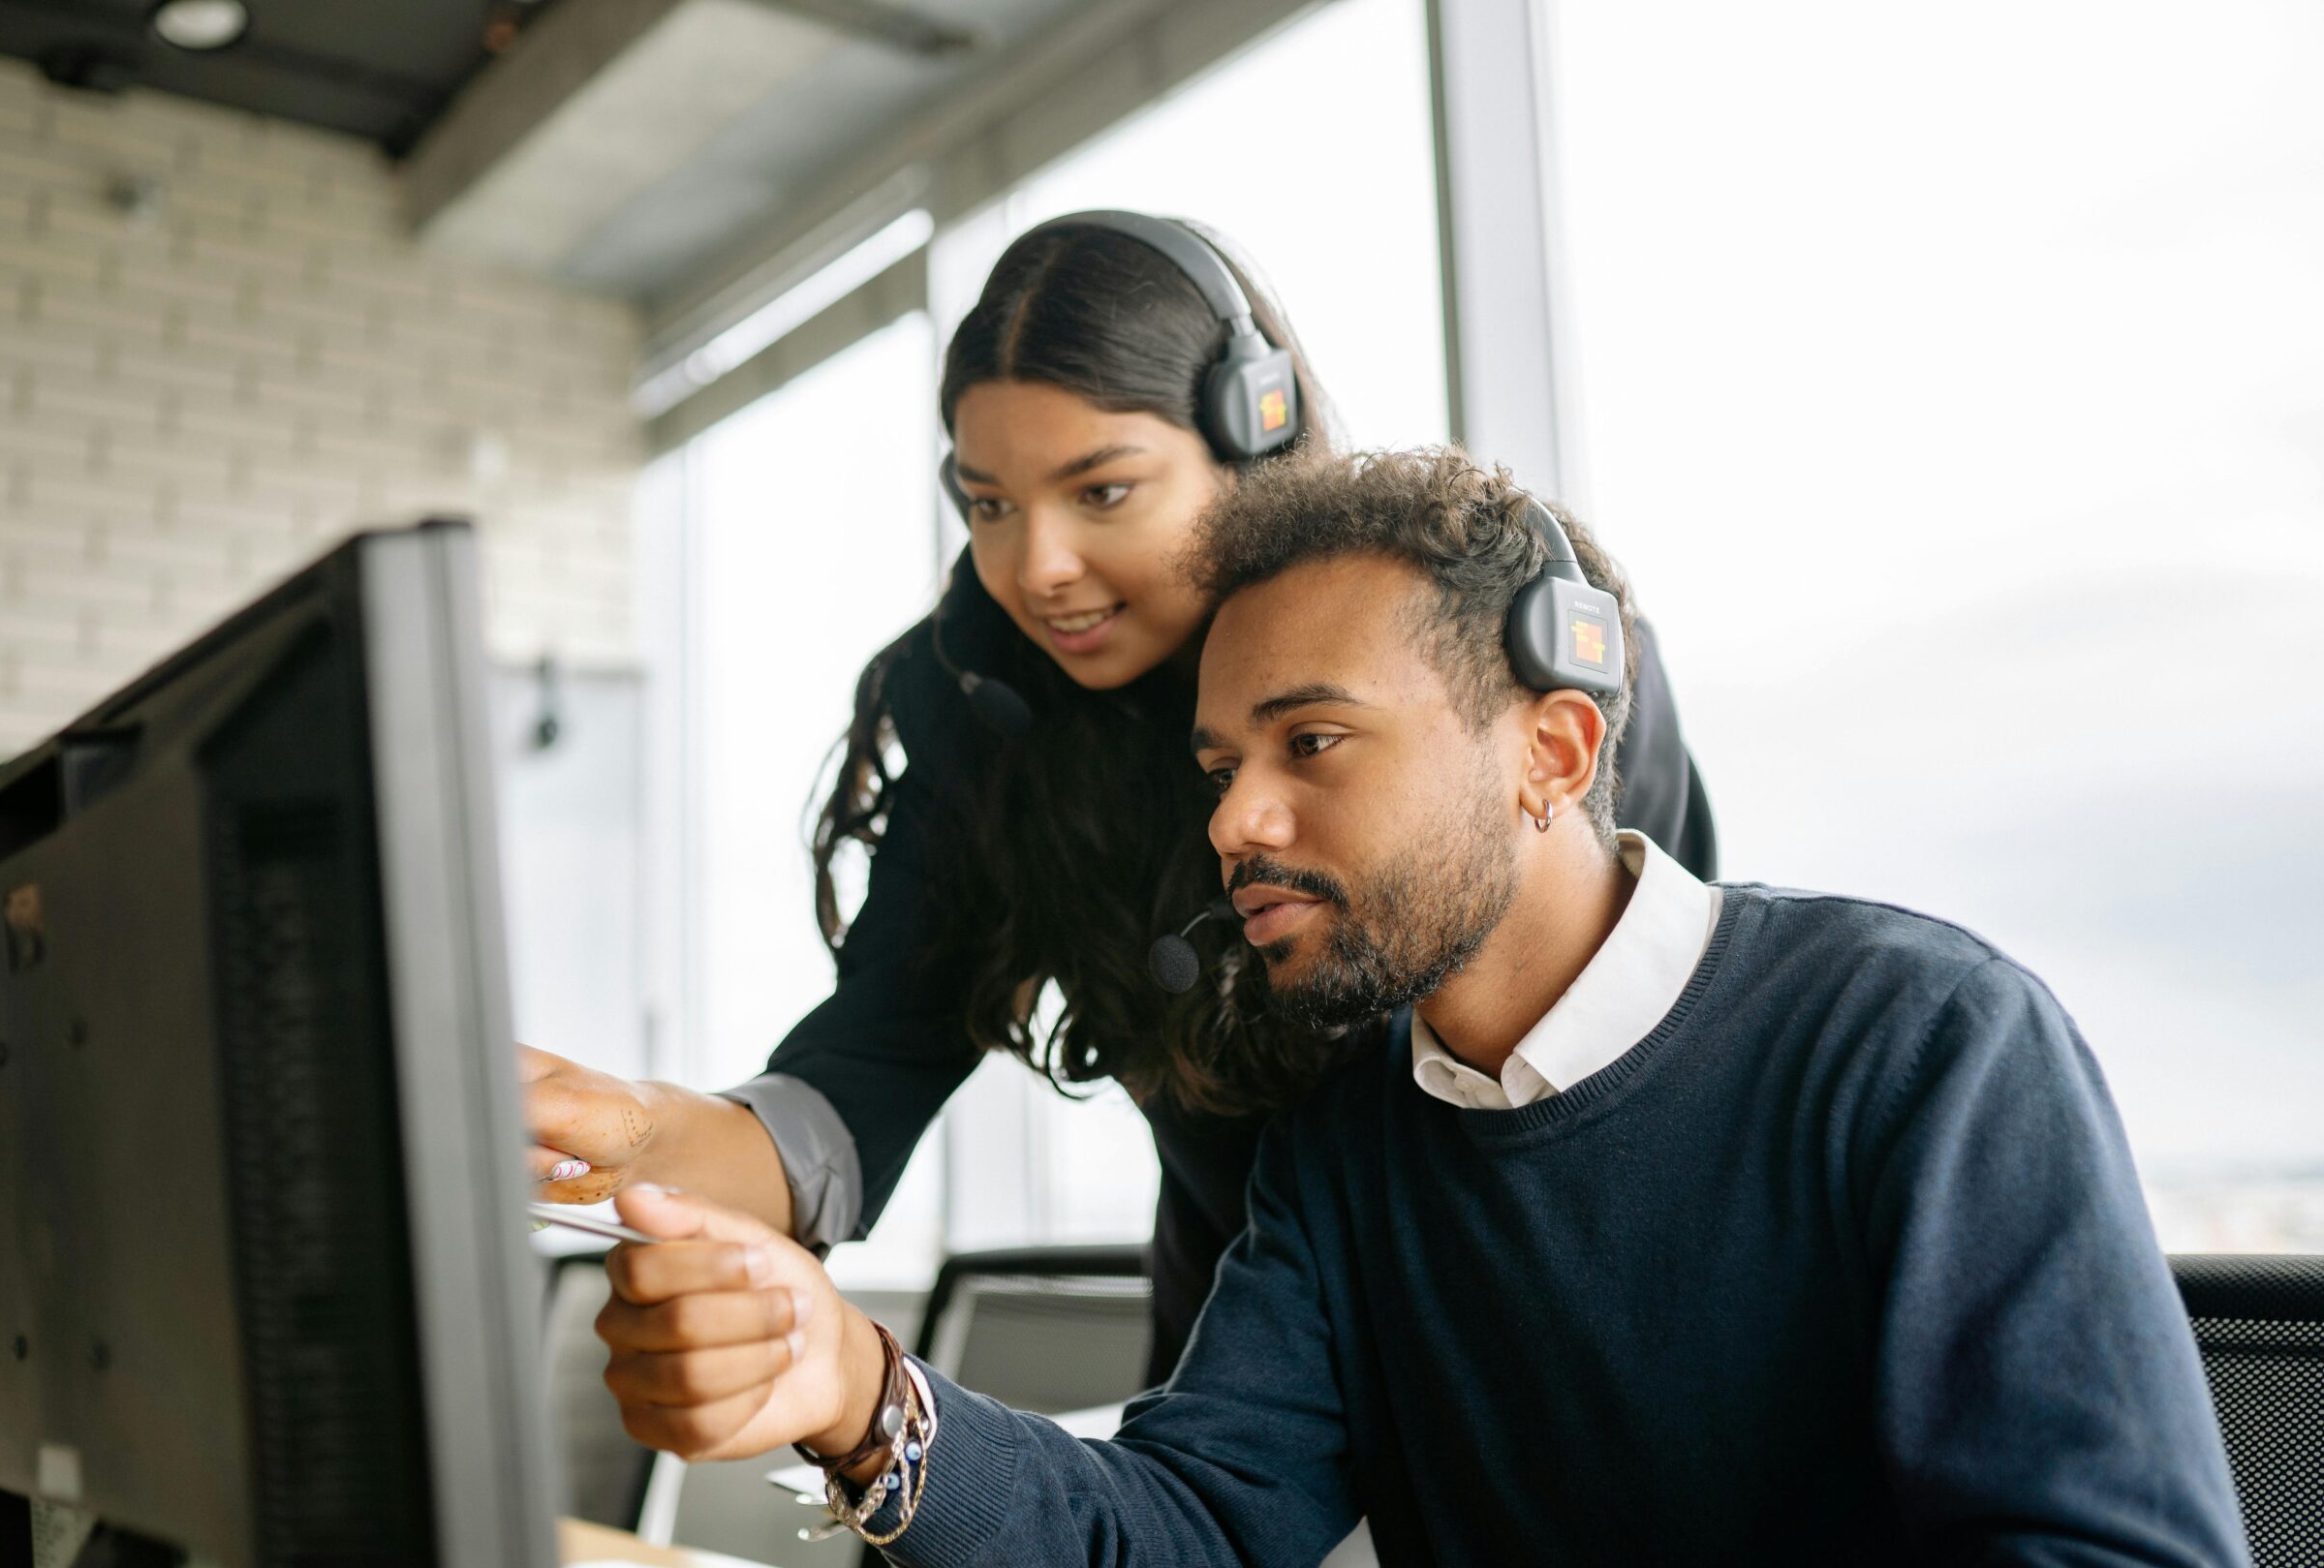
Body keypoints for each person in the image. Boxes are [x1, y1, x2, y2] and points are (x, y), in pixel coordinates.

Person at [582, 447, 2266, 1568]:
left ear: (1550, 747)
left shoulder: (1921, 1045)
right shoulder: (1350, 1139)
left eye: (1313, 739)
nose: (1236, 816)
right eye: (1220, 760)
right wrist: (863, 1395)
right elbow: (1188, 1528)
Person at [522, 213, 1715, 1376]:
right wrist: (630, 1134)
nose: (1035, 569)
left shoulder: (1515, 663)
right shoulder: (984, 707)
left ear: (1254, 444)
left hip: (1541, 1343)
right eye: (988, 504)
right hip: (1239, 1383)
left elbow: (1667, 1052)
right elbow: (863, 1073)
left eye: (1101, 493)